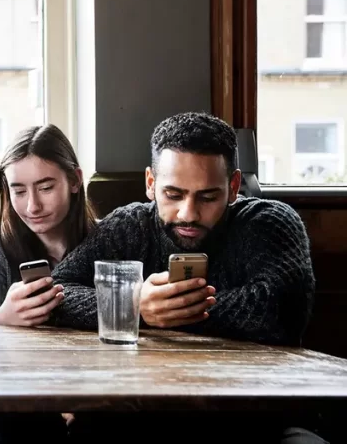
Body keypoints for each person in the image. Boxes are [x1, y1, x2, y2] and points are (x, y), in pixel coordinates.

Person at [51, 112, 323, 443]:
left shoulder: (268, 222)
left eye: (207, 196)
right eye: (174, 194)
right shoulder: (128, 226)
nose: (188, 214)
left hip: (251, 418)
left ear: (234, 186)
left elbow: (283, 309)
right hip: (134, 415)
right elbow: (57, 291)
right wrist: (133, 304)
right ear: (151, 184)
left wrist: (165, 312)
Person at [0, 124, 97, 327]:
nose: (33, 206)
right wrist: (1, 319)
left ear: (75, 181)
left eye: (46, 188)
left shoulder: (109, 237)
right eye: (19, 192)